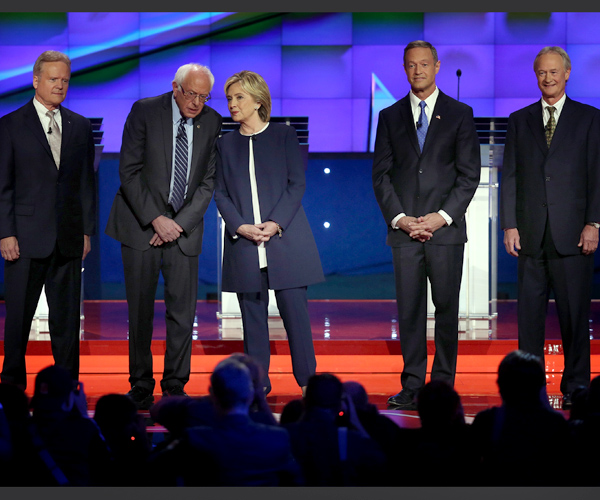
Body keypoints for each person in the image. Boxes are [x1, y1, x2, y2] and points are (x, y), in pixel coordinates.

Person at [372, 40, 481, 410]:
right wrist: (401, 219)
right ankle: (413, 385)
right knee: (410, 311)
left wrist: (441, 216)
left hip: (445, 232)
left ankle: (443, 386)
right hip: (404, 233)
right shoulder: (389, 116)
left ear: (436, 66)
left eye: (423, 64)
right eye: (410, 65)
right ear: (404, 69)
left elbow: (468, 175)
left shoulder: (460, 113)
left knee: (446, 310)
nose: (417, 70)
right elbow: (381, 176)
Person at [105, 63, 222, 409]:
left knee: (182, 314)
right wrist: (157, 220)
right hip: (141, 227)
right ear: (175, 87)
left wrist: (178, 224)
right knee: (140, 311)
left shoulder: (212, 122)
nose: (197, 102)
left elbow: (207, 183)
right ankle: (141, 384)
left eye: (204, 97)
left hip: (183, 233)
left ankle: (175, 384)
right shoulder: (144, 111)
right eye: (192, 94)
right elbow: (129, 171)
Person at [500, 46, 600, 410]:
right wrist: (510, 224)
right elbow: (510, 175)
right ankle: (529, 390)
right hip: (530, 234)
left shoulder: (590, 118)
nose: (548, 78)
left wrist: (594, 223)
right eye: (542, 72)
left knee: (574, 318)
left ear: (567, 73)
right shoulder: (519, 119)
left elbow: (597, 175)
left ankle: (576, 386)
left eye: (554, 71)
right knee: (529, 321)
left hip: (574, 234)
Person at [214, 70, 324, 395]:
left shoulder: (284, 135)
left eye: (239, 97)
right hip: (244, 244)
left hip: (285, 242)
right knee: (252, 323)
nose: (232, 104)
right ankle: (257, 386)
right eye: (229, 98)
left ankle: (308, 385)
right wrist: (239, 226)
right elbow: (220, 193)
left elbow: (296, 184)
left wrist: (275, 223)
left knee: (297, 321)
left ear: (258, 101)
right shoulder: (224, 144)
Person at [0, 50, 96, 390]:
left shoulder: (79, 125)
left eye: (65, 80)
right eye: (53, 79)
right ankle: (11, 387)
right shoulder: (10, 125)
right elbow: (3, 185)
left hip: (68, 239)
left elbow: (86, 183)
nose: (60, 85)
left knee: (66, 323)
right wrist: (5, 232)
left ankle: (67, 388)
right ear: (36, 80)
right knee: (18, 321)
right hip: (24, 239)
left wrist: (86, 231)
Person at [469, 350, 571, 486]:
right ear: (540, 386)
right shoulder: (557, 423)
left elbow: (470, 471)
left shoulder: (486, 421)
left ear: (500, 385)